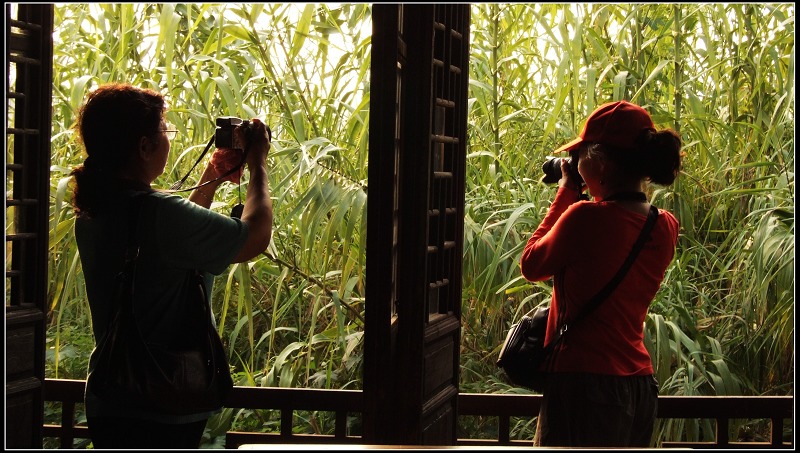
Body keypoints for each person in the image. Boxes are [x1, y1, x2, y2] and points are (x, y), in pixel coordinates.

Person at [69, 83, 273, 448]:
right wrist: (257, 161)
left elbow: (173, 240)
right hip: (163, 400)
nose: (168, 140)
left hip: (112, 396)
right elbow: (255, 236)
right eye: (165, 131)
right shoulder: (159, 214)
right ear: (144, 147)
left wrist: (212, 176)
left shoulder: (95, 211)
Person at [520, 100, 682, 447]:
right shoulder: (665, 225)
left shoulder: (585, 218)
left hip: (584, 384)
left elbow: (531, 264)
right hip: (639, 386)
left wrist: (566, 191)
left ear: (601, 162)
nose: (576, 164)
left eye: (581, 155)